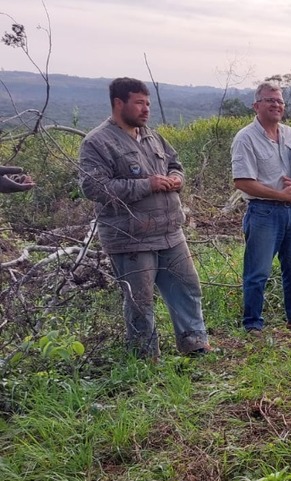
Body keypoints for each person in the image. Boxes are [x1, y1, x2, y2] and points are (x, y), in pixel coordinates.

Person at [78, 77, 210, 359]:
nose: (146, 109)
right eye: (139, 103)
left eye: (148, 103)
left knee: (187, 288)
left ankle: (195, 344)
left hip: (170, 232)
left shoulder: (152, 136)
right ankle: (144, 358)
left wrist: (176, 178)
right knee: (140, 301)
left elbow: (175, 163)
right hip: (131, 238)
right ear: (118, 103)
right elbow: (94, 187)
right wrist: (147, 185)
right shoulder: (97, 142)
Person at [231, 81, 291, 333]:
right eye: (270, 100)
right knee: (258, 272)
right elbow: (242, 182)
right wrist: (280, 195)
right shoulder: (245, 138)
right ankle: (253, 325)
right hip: (263, 212)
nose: (276, 105)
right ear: (256, 105)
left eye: (280, 101)